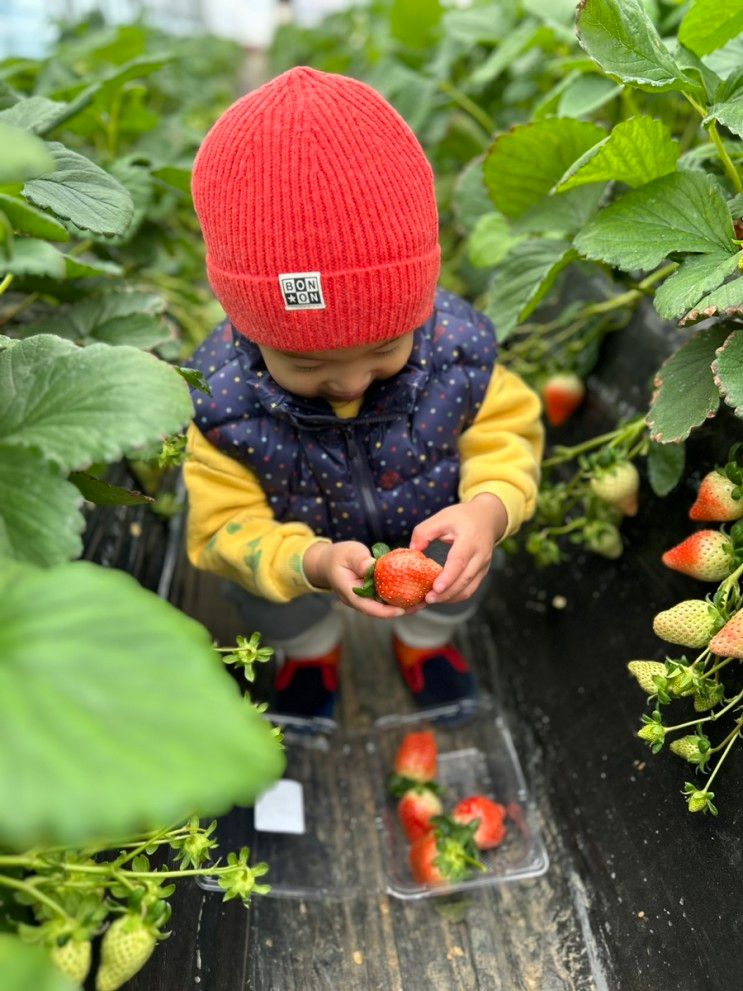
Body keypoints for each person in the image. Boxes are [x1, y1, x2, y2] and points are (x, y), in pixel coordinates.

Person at [182, 65, 544, 719]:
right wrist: (310, 561)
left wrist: (487, 510)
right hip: (303, 554)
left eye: (383, 349)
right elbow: (219, 529)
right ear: (248, 327)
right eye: (304, 361)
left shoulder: (457, 355)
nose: (348, 382)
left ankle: (425, 645)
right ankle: (312, 652)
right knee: (268, 598)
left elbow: (506, 432)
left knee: (460, 574)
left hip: (431, 534)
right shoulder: (224, 405)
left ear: (417, 309)